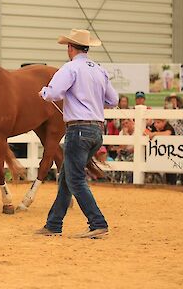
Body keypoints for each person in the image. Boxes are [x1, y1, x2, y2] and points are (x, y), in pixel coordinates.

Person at [35, 29, 118, 239]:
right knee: (67, 177)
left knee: (75, 179)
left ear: (70, 48)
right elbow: (114, 100)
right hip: (96, 131)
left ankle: (97, 222)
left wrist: (44, 92)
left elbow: (54, 93)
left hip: (78, 130)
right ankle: (53, 224)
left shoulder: (70, 68)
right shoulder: (99, 70)